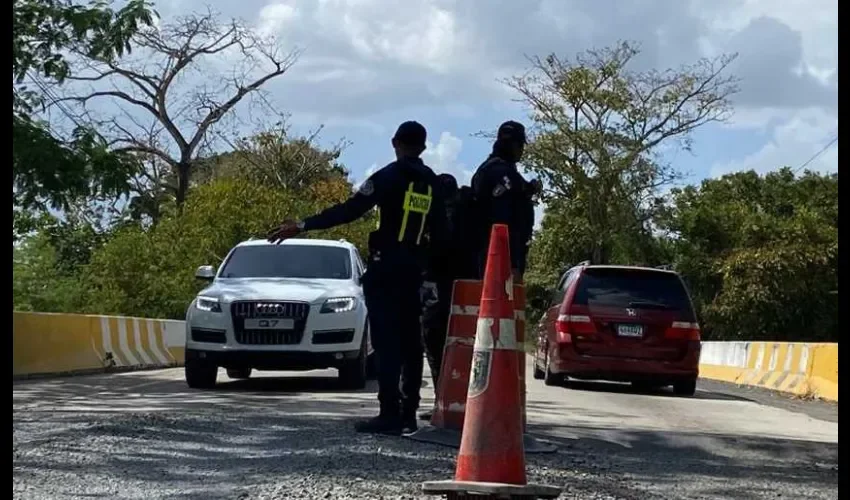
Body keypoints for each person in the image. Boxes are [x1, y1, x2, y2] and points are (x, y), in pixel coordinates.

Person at [267, 121, 447, 436]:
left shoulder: (389, 177)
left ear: (395, 142)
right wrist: (430, 272)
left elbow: (350, 210)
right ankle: (408, 412)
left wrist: (304, 224)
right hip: (414, 273)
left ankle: (389, 413)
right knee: (410, 344)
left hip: (387, 270)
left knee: (387, 344)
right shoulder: (432, 183)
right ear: (423, 146)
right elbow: (443, 233)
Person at [470, 120, 540, 282]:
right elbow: (503, 220)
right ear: (513, 145)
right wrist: (513, 262)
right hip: (499, 257)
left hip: (498, 254)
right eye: (520, 146)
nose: (522, 151)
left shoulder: (496, 170)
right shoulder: (500, 173)